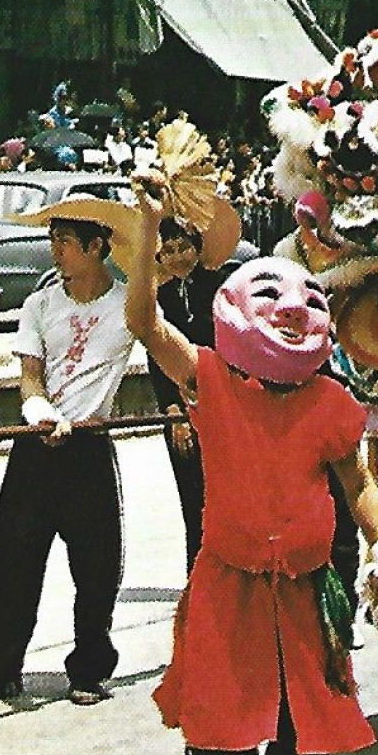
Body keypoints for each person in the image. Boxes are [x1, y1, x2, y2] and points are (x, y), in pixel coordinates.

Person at [125, 173, 378, 755]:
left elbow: (360, 486)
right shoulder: (210, 378)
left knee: (305, 738)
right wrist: (146, 233)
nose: (294, 312)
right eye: (273, 300)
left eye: (309, 301)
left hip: (308, 596)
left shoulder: (331, 402)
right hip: (229, 585)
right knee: (219, 732)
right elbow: (143, 322)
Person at [0, 199, 136, 706]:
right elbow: (30, 377)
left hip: (90, 445)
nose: (55, 252)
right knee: (12, 556)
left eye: (65, 243)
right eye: (52, 241)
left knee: (96, 566)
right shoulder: (40, 305)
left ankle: (89, 669)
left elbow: (165, 349)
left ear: (96, 248)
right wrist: (38, 411)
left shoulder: (127, 306)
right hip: (37, 444)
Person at [146, 216, 229, 571]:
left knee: (226, 492)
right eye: (170, 250)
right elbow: (156, 360)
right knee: (192, 496)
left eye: (184, 248)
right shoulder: (157, 300)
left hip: (223, 405)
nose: (178, 257)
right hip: (180, 411)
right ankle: (197, 573)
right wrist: (173, 410)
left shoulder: (220, 288)